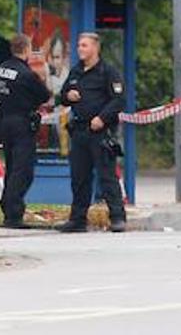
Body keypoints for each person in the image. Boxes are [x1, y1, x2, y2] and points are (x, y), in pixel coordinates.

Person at [57, 32, 127, 233]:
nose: (80, 49)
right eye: (79, 45)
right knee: (79, 177)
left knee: (107, 176)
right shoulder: (76, 72)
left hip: (100, 133)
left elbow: (119, 100)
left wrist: (102, 118)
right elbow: (62, 97)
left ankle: (117, 217)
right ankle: (78, 219)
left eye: (84, 45)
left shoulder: (107, 72)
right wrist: (68, 96)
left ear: (95, 48)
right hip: (79, 131)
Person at [0, 34, 52, 228]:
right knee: (23, 170)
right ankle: (13, 211)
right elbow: (44, 95)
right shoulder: (26, 74)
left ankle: (8, 206)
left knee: (12, 166)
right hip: (22, 124)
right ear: (26, 50)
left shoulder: (0, 69)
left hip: (5, 122)